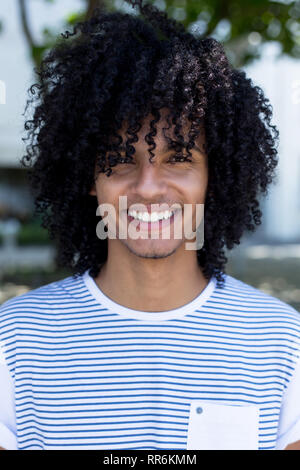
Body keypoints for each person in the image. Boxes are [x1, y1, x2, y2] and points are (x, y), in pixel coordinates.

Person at [0, 0, 299, 451]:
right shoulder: (13, 342)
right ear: (88, 178)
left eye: (178, 158)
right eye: (120, 160)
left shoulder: (281, 341)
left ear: (213, 176)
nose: (149, 187)